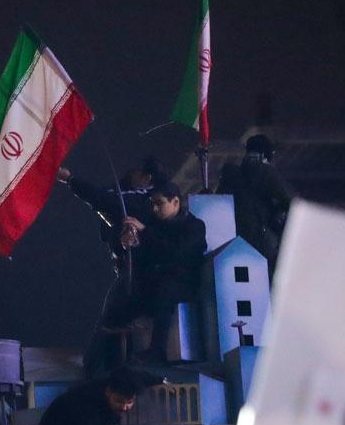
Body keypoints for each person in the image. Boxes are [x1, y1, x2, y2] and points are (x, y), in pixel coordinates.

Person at [57, 158, 169, 375]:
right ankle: (103, 367)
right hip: (127, 264)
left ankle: (101, 367)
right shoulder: (122, 192)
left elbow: (104, 201)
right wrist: (120, 240)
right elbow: (104, 205)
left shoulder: (148, 200)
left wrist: (71, 180)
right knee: (114, 318)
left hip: (148, 271)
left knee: (117, 316)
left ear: (148, 178)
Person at [107, 181, 207, 364]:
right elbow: (145, 255)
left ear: (175, 202)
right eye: (152, 204)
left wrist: (145, 232)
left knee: (164, 292)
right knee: (120, 309)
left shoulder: (194, 226)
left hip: (183, 282)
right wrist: (128, 244)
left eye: (159, 203)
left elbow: (175, 251)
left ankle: (157, 350)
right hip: (155, 281)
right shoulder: (155, 226)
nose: (154, 209)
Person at [216, 133, 292, 267]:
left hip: (233, 244)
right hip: (261, 242)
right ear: (264, 155)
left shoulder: (230, 176)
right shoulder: (265, 172)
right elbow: (290, 201)